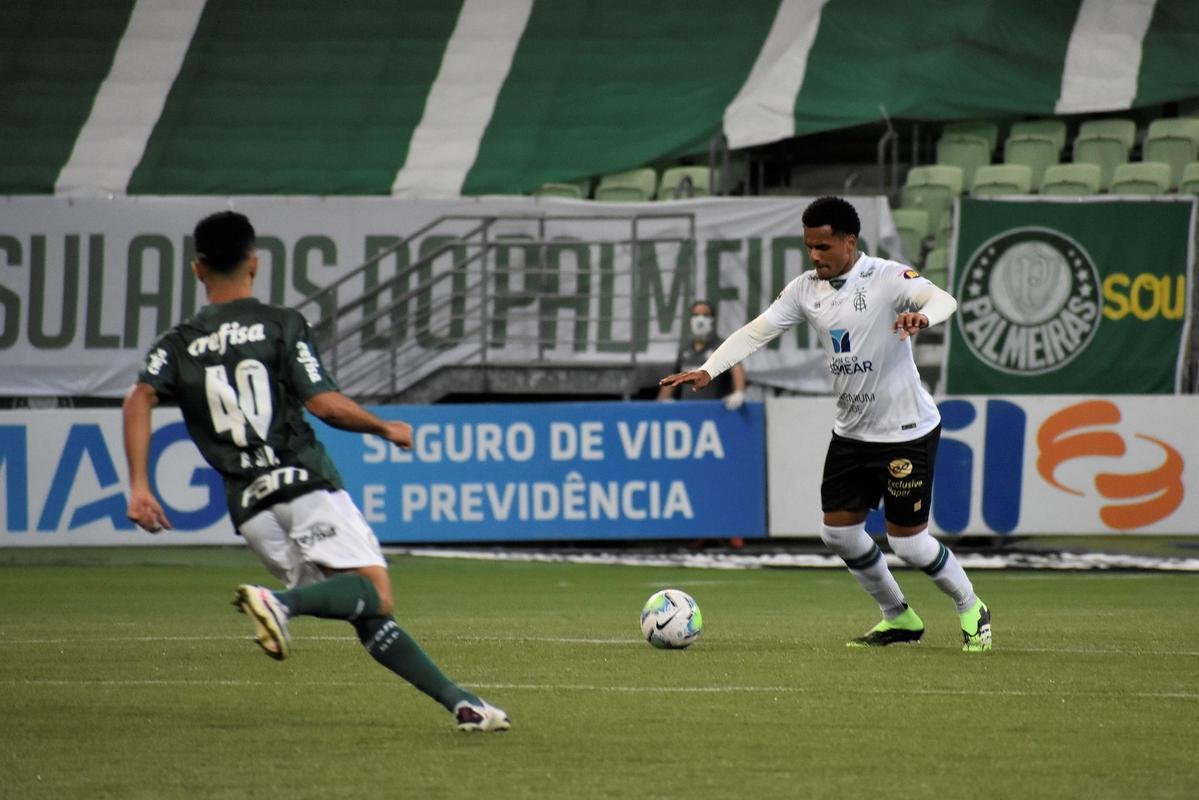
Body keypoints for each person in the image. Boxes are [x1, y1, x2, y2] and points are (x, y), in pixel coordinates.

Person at [122, 210, 511, 730]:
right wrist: (383, 427)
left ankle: (462, 703)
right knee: (374, 590)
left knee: (362, 609)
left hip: (249, 507)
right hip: (301, 482)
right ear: (254, 263)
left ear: (197, 270)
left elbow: (139, 398)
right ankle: (277, 605)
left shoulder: (178, 342)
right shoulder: (280, 324)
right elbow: (324, 404)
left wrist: (141, 486)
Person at [659, 196, 991, 652]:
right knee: (837, 532)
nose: (814, 256)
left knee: (909, 544)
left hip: (905, 431)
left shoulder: (886, 277)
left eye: (822, 247)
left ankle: (971, 607)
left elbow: (943, 298)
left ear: (848, 241)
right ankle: (899, 618)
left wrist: (923, 316)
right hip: (852, 432)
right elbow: (758, 330)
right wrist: (710, 369)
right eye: (809, 247)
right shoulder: (804, 289)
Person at [656, 300, 747, 411]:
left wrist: (739, 392)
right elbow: (672, 378)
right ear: (690, 320)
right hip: (687, 411)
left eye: (705, 315)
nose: (700, 319)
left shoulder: (722, 346)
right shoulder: (685, 349)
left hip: (714, 411)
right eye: (696, 315)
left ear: (713, 320)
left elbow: (737, 368)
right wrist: (661, 403)